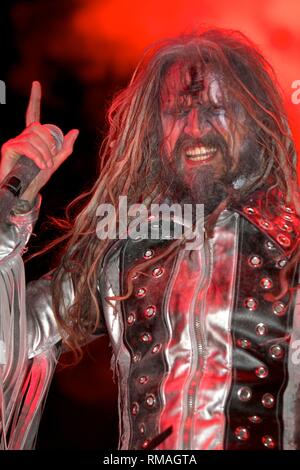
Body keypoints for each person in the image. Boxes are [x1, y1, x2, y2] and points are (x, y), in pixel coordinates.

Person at [0, 28, 299, 451]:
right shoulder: (124, 250)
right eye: (177, 111)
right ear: (154, 129)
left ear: (254, 117)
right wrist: (9, 204)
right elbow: (9, 339)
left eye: (216, 107)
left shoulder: (293, 242)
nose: (196, 128)